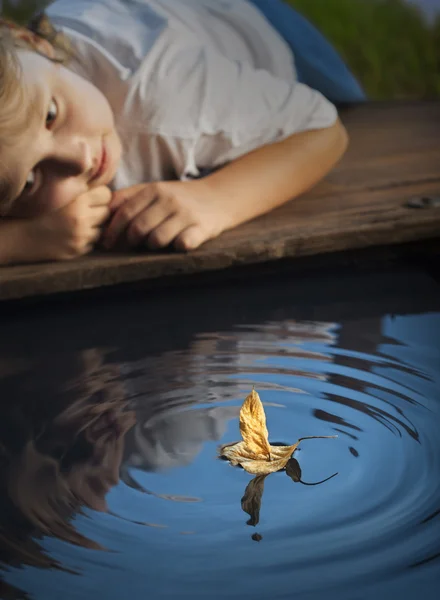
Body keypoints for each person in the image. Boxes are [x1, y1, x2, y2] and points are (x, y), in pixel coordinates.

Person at [0, 0, 360, 266]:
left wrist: (213, 199)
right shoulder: (31, 85)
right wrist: (19, 241)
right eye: (30, 179)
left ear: (31, 42)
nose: (78, 160)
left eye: (51, 114)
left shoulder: (165, 98)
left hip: (256, 26)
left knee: (354, 106)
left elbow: (322, 128)